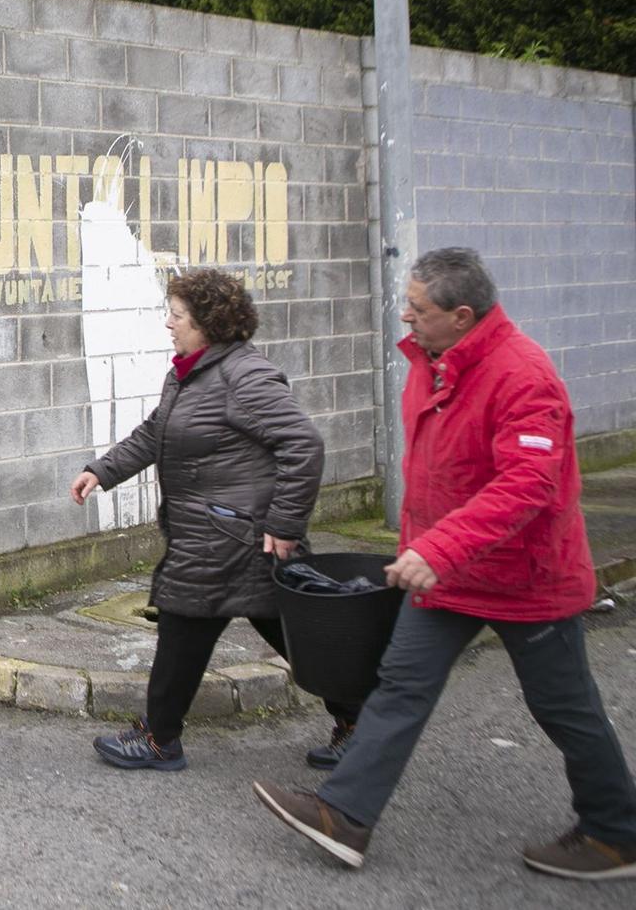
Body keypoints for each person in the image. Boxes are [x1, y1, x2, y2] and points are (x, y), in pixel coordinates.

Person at [253, 247, 636, 881]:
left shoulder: (524, 375)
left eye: (417, 308)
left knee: (564, 707)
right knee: (400, 686)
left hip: (524, 578)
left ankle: (617, 833)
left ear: (462, 315)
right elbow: (440, 473)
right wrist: (423, 548)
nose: (404, 316)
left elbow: (527, 485)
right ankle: (344, 817)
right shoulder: (430, 362)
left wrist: (436, 548)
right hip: (448, 574)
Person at [69, 268, 354, 771]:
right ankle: (359, 722)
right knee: (291, 634)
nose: (168, 324)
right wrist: (101, 471)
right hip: (220, 535)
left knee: (184, 632)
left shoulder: (244, 376)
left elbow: (303, 445)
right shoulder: (190, 371)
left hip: (232, 539)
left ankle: (160, 739)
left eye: (177, 316)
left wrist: (285, 526)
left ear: (208, 323)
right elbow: (155, 432)